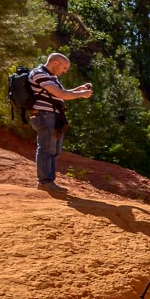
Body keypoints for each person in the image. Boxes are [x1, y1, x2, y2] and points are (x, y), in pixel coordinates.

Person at [28, 52, 93, 193]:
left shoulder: (52, 77)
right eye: (65, 68)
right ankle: (45, 183)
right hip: (44, 116)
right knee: (47, 149)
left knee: (55, 150)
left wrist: (79, 89)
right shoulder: (39, 73)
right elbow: (61, 94)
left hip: (54, 117)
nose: (65, 71)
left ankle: (49, 182)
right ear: (55, 62)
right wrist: (82, 94)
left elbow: (62, 92)